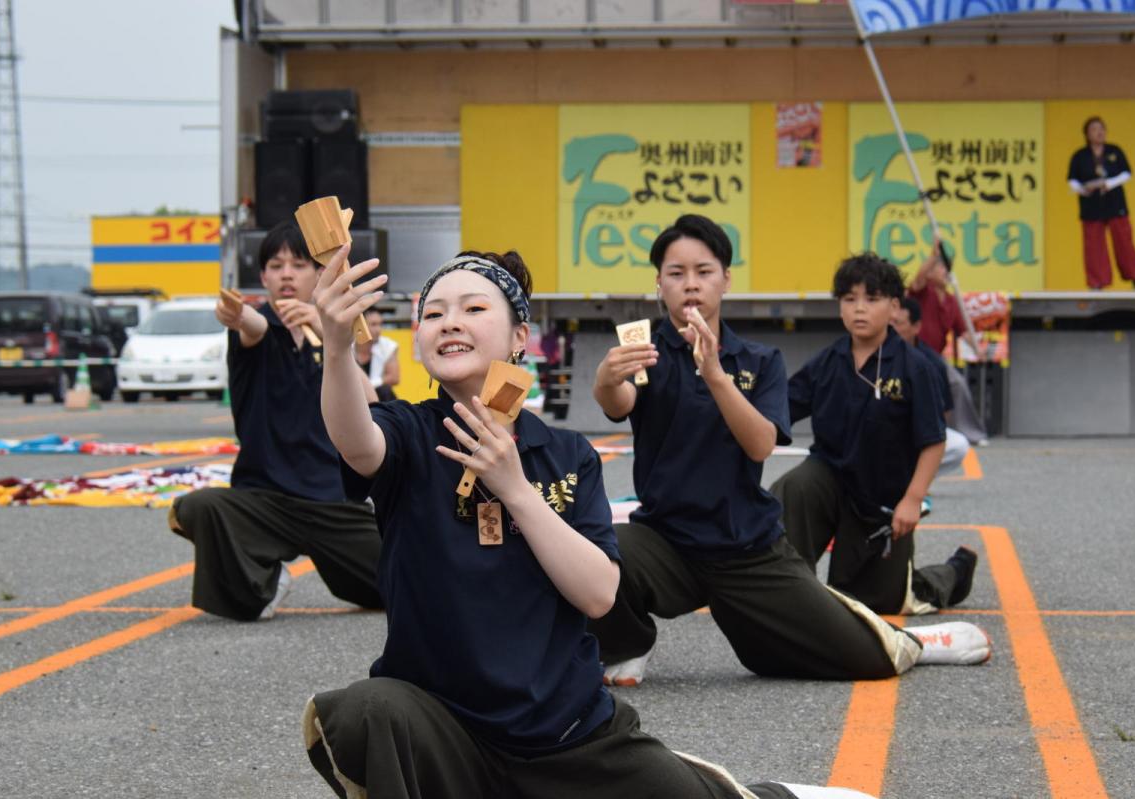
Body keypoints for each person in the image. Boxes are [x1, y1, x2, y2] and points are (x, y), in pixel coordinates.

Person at [303, 244, 868, 799]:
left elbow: (599, 594)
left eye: (474, 308)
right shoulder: (408, 432)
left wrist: (517, 490)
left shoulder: (566, 454)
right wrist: (335, 345)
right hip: (447, 729)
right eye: (433, 313)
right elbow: (355, 441)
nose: (450, 322)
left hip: (566, 732)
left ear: (520, 338)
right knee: (366, 709)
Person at [588, 215, 990, 689]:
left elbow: (761, 442)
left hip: (745, 547)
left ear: (726, 279)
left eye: (704, 271)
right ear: (659, 283)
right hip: (666, 540)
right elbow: (622, 404)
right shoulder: (644, 348)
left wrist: (715, 373)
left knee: (848, 658)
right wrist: (605, 380)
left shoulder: (760, 361)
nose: (691, 285)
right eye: (676, 274)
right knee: (588, 554)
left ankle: (920, 641)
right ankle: (631, 641)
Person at [166, 221, 384, 621]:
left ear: (319, 275)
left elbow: (375, 407)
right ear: (263, 274)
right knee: (200, 506)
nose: (286, 273)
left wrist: (331, 336)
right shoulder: (258, 328)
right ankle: (262, 581)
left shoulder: (335, 335)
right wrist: (237, 315)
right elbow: (252, 325)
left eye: (298, 264)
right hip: (263, 498)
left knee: (395, 588)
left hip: (333, 498)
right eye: (276, 264)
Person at [771, 253, 979, 617]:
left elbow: (933, 441)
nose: (859, 309)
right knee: (794, 486)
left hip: (882, 501)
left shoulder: (917, 368)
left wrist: (912, 500)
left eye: (872, 299)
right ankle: (790, 590)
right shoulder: (827, 362)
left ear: (894, 306)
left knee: (880, 602)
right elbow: (776, 413)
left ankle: (953, 573)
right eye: (849, 300)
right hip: (831, 481)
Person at [907, 244, 988, 446]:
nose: (945, 272)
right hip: (912, 352)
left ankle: (970, 433)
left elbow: (963, 330)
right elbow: (918, 278)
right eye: (940, 267)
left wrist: (978, 347)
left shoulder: (952, 301)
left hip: (936, 358)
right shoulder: (923, 292)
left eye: (946, 268)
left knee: (956, 385)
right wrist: (933, 256)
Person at [893, 295, 969, 476]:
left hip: (916, 432)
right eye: (889, 323)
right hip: (880, 428)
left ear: (916, 327)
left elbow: (944, 412)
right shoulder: (873, 353)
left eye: (898, 323)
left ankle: (916, 478)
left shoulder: (932, 363)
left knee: (958, 445)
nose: (892, 329)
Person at [1067, 116, 1135, 291]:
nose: (1099, 132)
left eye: (1102, 128)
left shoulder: (1114, 151)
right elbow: (1071, 181)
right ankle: (1097, 283)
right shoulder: (1080, 156)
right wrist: (1083, 189)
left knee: (1124, 241)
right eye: (1094, 129)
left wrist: (1107, 184)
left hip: (1115, 202)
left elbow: (1127, 174)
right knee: (1094, 245)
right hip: (1091, 206)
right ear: (1087, 134)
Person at [355, 306, 400, 402]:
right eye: (373, 324)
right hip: (352, 396)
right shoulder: (347, 346)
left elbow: (394, 378)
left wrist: (368, 385)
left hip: (378, 396)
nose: (378, 329)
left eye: (380, 324)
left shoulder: (388, 345)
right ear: (361, 326)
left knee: (385, 390)